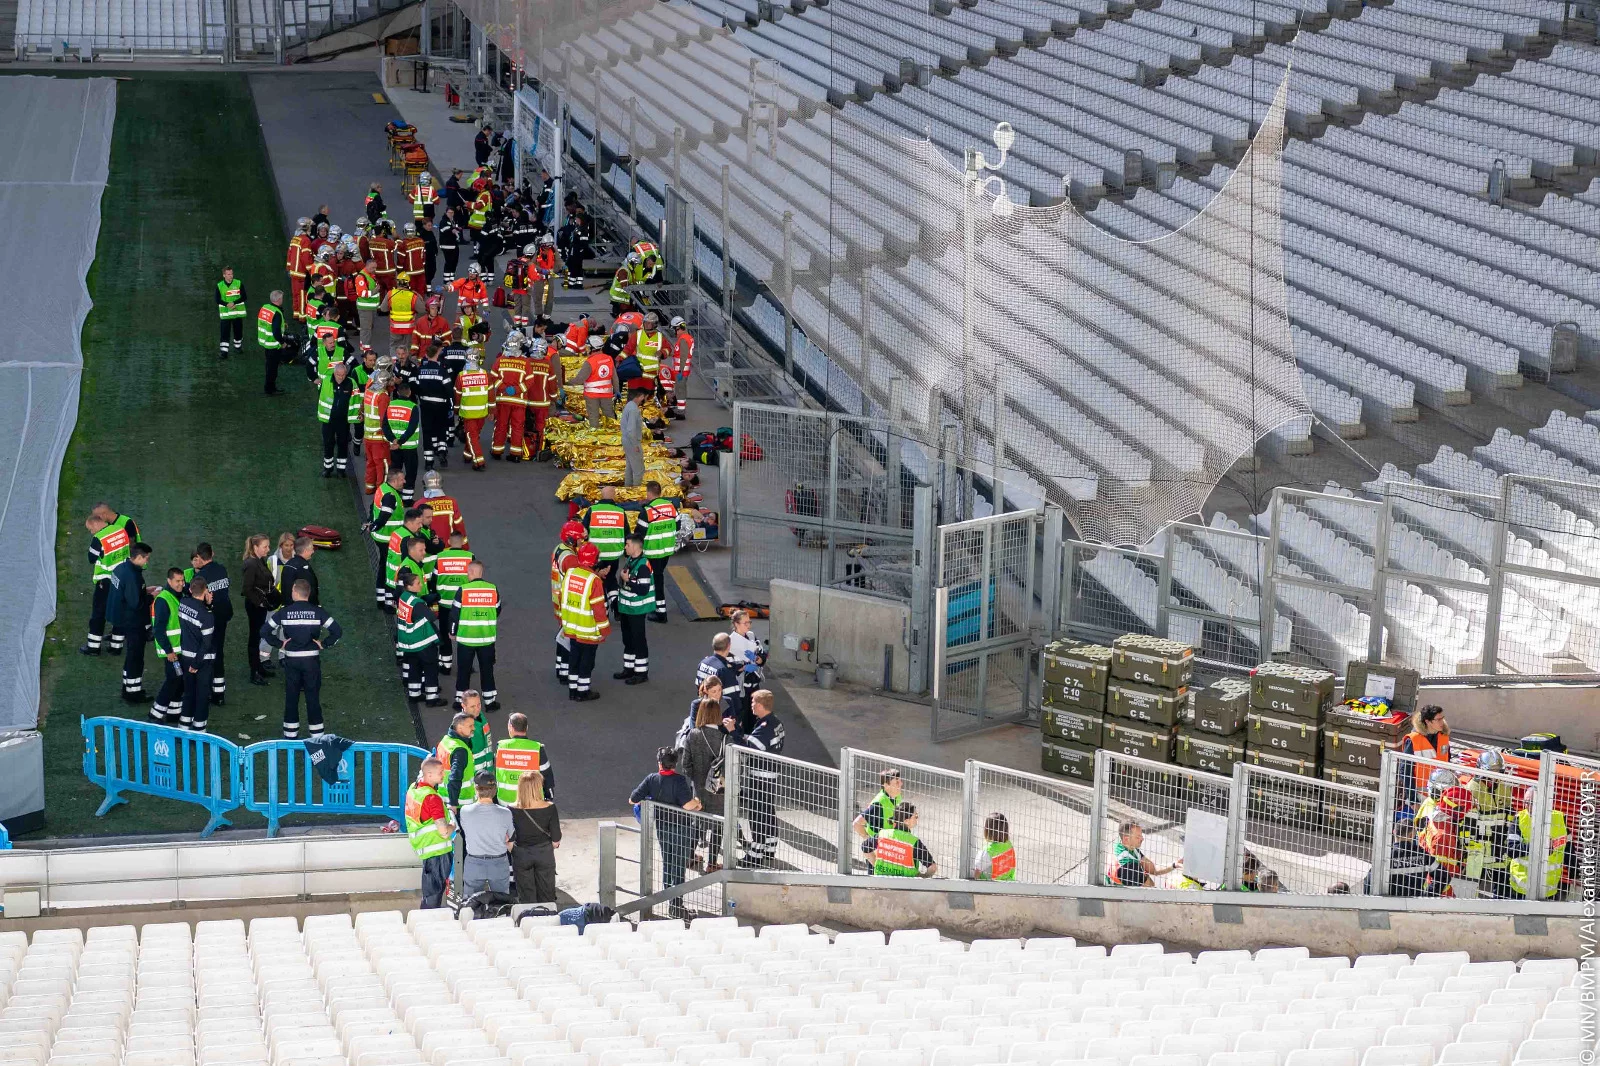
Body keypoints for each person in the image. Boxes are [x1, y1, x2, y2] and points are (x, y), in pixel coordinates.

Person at [261, 578, 342, 739]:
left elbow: (264, 631)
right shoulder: (318, 612)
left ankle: (290, 734)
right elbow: (337, 631)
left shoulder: (284, 612)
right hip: (311, 661)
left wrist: (280, 644)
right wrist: (323, 644)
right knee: (313, 698)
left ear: (296, 593)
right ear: (308, 593)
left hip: (291, 661)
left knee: (291, 697)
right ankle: (317, 736)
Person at [629, 747, 702, 919]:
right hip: (681, 829)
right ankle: (676, 905)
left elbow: (632, 798)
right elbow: (688, 805)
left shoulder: (652, 779)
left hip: (663, 828)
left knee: (668, 862)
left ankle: (670, 899)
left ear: (660, 763)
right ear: (674, 764)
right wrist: (697, 802)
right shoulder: (679, 781)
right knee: (678, 866)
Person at [729, 689, 785, 867]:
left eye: (753, 703)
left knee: (757, 814)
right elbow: (756, 741)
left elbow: (749, 748)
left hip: (760, 777)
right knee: (768, 811)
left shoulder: (764, 727)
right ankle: (769, 847)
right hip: (770, 775)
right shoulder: (775, 723)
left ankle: (755, 855)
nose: (751, 705)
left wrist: (733, 732)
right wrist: (741, 732)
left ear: (760, 705)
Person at [80, 504, 139, 656]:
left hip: (105, 581)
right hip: (123, 578)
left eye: (90, 529)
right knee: (120, 612)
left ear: (95, 524)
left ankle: (93, 647)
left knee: (98, 614)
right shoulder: (121, 530)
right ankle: (116, 647)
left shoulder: (98, 538)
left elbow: (91, 558)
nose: (91, 532)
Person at [681, 698, 729, 872]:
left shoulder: (693, 735)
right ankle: (712, 863)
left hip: (699, 790)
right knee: (717, 826)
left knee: (697, 825)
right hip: (719, 791)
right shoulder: (725, 738)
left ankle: (688, 857)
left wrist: (697, 781)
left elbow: (685, 766)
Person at [558, 542, 609, 702]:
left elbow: (561, 597)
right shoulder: (594, 580)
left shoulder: (570, 573)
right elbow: (599, 609)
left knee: (574, 658)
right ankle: (583, 691)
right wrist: (604, 630)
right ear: (594, 561)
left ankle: (573, 690)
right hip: (588, 630)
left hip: (571, 627)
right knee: (586, 662)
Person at [107, 542, 154, 705]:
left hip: (122, 619)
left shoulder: (121, 568)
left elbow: (126, 593)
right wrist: (151, 596)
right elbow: (136, 603)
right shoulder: (134, 576)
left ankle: (127, 688)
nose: (147, 561)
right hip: (133, 622)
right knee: (136, 657)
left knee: (130, 656)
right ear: (139, 557)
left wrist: (144, 591)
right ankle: (133, 694)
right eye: (146, 558)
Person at [406, 756, 455, 909]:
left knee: (429, 895)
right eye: (440, 772)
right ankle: (428, 923)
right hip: (438, 854)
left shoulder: (414, 789)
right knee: (434, 897)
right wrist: (453, 823)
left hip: (427, 851)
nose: (443, 775)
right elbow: (444, 832)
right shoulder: (432, 798)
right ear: (429, 775)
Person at [187, 544, 233, 706]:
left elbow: (192, 596)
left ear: (199, 557)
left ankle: (205, 690)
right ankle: (219, 693)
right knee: (218, 652)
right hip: (224, 615)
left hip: (209, 618)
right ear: (212, 554)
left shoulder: (201, 578)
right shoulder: (222, 569)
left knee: (207, 652)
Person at [457, 772, 514, 898]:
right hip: (499, 863)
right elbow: (510, 838)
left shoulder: (465, 811)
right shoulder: (506, 813)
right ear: (495, 789)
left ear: (476, 789)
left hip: (474, 863)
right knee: (501, 903)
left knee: (470, 904)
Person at [511, 770, 561, 905]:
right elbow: (556, 838)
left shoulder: (511, 809)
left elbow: (509, 836)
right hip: (544, 853)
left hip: (521, 854)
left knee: (526, 897)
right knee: (547, 895)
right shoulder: (549, 808)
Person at [455, 561, 501, 708]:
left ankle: (460, 702)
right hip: (486, 638)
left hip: (466, 638)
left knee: (464, 670)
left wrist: (452, 631)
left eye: (468, 572)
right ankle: (489, 701)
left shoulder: (463, 590)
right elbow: (497, 609)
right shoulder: (492, 589)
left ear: (472, 573)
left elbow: (454, 614)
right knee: (487, 669)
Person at [397, 569, 444, 706]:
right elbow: (431, 617)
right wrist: (428, 605)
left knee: (414, 668)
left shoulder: (404, 597)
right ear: (409, 586)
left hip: (408, 642)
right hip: (421, 642)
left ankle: (414, 695)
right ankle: (432, 698)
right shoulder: (417, 603)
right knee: (431, 668)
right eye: (418, 583)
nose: (421, 584)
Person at [177, 577, 217, 731]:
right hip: (202, 662)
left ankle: (183, 728)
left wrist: (207, 604)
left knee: (188, 693)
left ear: (191, 589)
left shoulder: (183, 603)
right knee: (202, 696)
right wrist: (196, 664)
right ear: (205, 591)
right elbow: (206, 644)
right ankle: (199, 731)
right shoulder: (207, 616)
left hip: (185, 656)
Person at [614, 534, 653, 685]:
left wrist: (627, 580)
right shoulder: (631, 559)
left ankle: (641, 673)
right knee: (628, 640)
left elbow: (643, 590)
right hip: (626, 608)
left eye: (627, 544)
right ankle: (629, 668)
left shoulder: (643, 565)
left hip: (637, 609)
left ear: (636, 546)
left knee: (638, 641)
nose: (625, 547)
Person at [550, 521, 586, 686]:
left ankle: (560, 668)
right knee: (568, 637)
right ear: (572, 540)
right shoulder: (570, 558)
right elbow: (577, 579)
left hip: (558, 600)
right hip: (568, 603)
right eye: (580, 539)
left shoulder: (559, 549)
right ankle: (566, 672)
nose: (582, 541)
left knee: (562, 635)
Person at [150, 567, 187, 723]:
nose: (181, 584)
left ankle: (173, 712)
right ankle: (156, 714)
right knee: (173, 680)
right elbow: (158, 629)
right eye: (177, 581)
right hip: (172, 651)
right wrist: (169, 651)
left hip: (179, 649)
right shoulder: (164, 600)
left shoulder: (179, 596)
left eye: (182, 580)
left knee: (179, 680)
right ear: (169, 581)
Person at [489, 332, 532, 462]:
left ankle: (497, 451)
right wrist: (517, 390)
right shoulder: (525, 362)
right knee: (517, 427)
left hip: (503, 400)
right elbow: (530, 382)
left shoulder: (500, 360)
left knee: (501, 425)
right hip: (519, 401)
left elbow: (493, 378)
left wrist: (503, 388)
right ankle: (515, 454)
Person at [369, 468, 408, 608]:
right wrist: (376, 524)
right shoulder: (391, 496)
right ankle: (388, 602)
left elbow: (372, 506)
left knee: (383, 566)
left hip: (381, 536)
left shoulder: (382, 489)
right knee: (390, 569)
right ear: (394, 480)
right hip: (388, 538)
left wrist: (371, 523)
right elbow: (384, 516)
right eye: (402, 479)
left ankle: (381, 599)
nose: (404, 481)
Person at [1399, 705, 1451, 810]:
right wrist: (1413, 801)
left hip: (1441, 796)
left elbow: (1447, 762)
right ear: (1427, 722)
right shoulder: (1414, 739)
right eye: (1438, 719)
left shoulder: (1444, 737)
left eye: (1442, 718)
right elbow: (1405, 771)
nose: (1442, 722)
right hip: (1421, 797)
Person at [583, 486, 627, 608]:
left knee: (598, 580)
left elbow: (584, 531)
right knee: (611, 577)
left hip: (596, 556)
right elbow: (627, 533)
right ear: (613, 496)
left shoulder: (592, 510)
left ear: (601, 496)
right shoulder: (620, 512)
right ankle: (615, 602)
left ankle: (604, 608)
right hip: (614, 555)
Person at [241, 534, 275, 688]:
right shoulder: (251, 564)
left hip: (259, 605)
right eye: (265, 546)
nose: (268, 549)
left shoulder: (258, 561)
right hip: (255, 607)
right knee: (254, 639)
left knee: (258, 636)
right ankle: (254, 672)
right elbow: (246, 589)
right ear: (256, 548)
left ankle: (258, 668)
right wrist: (260, 603)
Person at [640, 482, 678, 621]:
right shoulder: (671, 507)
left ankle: (661, 612)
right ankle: (656, 606)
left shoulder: (647, 511)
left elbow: (639, 534)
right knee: (657, 577)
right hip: (666, 550)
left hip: (652, 551)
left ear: (648, 493)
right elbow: (678, 525)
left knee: (656, 579)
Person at [414, 343, 454, 471]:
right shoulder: (442, 371)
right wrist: (451, 405)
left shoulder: (420, 370)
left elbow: (415, 387)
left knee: (427, 432)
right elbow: (449, 389)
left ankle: (429, 461)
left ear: (426, 355)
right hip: (441, 405)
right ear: (437, 354)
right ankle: (442, 451)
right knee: (441, 428)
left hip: (425, 405)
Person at [872, 802, 937, 878]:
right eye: (915, 816)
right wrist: (922, 877)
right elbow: (932, 867)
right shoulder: (913, 842)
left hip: (880, 883)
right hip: (906, 885)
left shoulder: (882, 835)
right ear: (906, 821)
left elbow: (865, 847)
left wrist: (875, 864)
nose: (917, 818)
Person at [318, 360, 360, 477]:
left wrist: (356, 417)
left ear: (346, 373)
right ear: (334, 373)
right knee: (328, 443)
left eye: (343, 375)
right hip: (328, 420)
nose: (341, 377)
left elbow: (356, 400)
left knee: (343, 444)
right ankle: (328, 468)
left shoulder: (351, 383)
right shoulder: (326, 381)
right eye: (338, 375)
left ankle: (341, 470)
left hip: (343, 421)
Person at [727, 609, 766, 729]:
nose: (748, 625)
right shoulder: (730, 642)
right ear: (736, 624)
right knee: (742, 718)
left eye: (750, 622)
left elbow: (762, 656)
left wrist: (756, 658)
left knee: (755, 715)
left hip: (755, 684)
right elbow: (728, 667)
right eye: (745, 623)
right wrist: (743, 668)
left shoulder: (751, 636)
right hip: (741, 688)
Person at [1108, 820, 1179, 887]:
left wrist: (1175, 865)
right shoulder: (1129, 866)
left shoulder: (1125, 844)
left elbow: (1154, 870)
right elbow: (1150, 890)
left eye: (1141, 835)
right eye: (1138, 837)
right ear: (1126, 839)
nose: (1142, 839)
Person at [384, 380, 422, 502]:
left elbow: (385, 425)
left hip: (394, 447)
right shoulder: (413, 407)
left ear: (398, 392)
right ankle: (407, 499)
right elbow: (412, 428)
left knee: (394, 472)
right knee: (410, 473)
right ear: (409, 393)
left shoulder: (390, 405)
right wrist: (400, 442)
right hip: (409, 447)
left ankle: (392, 497)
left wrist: (393, 440)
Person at [455, 355, 493, 470]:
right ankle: (467, 455)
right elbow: (491, 395)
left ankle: (479, 461)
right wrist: (491, 411)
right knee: (474, 436)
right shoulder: (486, 374)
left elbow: (457, 395)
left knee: (472, 437)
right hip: (482, 412)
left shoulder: (462, 375)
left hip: (468, 413)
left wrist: (456, 410)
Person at [436, 711, 479, 813]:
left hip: (444, 798)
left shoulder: (445, 741)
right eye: (470, 726)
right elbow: (455, 777)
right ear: (460, 727)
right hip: (461, 804)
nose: (474, 728)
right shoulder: (460, 750)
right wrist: (454, 803)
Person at [573, 335, 615, 427]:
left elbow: (580, 379)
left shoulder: (589, 362)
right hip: (607, 394)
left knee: (593, 418)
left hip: (592, 396)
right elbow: (614, 377)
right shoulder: (609, 359)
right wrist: (617, 391)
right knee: (610, 417)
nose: (587, 349)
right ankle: (613, 435)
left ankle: (596, 436)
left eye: (588, 347)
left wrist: (567, 383)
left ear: (593, 348)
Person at [853, 768, 902, 843]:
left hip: (889, 842)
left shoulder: (897, 796)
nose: (901, 784)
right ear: (886, 786)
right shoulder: (878, 804)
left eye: (900, 781)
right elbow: (856, 823)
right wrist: (869, 840)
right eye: (897, 782)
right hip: (879, 845)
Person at [972, 812, 1016, 881]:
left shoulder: (987, 851)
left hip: (991, 887)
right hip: (1009, 884)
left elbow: (976, 872)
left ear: (987, 830)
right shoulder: (1008, 845)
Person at [257, 289, 287, 395]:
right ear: (279, 299)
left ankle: (270, 387)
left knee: (269, 366)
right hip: (273, 345)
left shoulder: (265, 308)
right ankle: (270, 389)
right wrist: (282, 342)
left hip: (266, 342)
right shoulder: (277, 313)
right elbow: (276, 332)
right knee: (272, 369)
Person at [380, 281, 418, 360]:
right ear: (408, 284)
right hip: (409, 327)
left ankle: (395, 364)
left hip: (395, 326)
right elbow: (422, 309)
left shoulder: (391, 294)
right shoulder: (412, 295)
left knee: (394, 345)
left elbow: (383, 309)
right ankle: (405, 362)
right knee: (407, 345)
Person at [279, 535, 319, 607]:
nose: (313, 552)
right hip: (303, 610)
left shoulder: (288, 564)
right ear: (306, 550)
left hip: (289, 609)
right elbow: (309, 591)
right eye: (312, 549)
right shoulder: (303, 567)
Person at [287, 218, 314, 323]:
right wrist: (311, 270)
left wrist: (289, 268)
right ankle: (302, 316)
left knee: (295, 293)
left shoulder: (294, 239)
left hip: (293, 271)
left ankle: (296, 313)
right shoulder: (305, 240)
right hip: (302, 273)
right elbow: (305, 257)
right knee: (302, 294)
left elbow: (289, 254)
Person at [620, 388, 647, 488]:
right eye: (643, 397)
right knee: (638, 469)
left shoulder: (629, 406)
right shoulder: (633, 409)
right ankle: (636, 491)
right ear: (639, 396)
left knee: (630, 467)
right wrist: (635, 445)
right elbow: (631, 429)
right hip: (631, 442)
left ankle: (628, 488)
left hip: (627, 440)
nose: (643, 399)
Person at [217, 266, 247, 355]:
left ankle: (238, 347)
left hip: (237, 314)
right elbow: (217, 299)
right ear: (224, 275)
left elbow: (244, 297)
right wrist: (227, 304)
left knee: (238, 332)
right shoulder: (219, 285)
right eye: (229, 274)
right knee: (224, 333)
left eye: (232, 274)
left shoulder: (239, 283)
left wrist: (233, 303)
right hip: (226, 315)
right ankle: (224, 352)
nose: (231, 276)